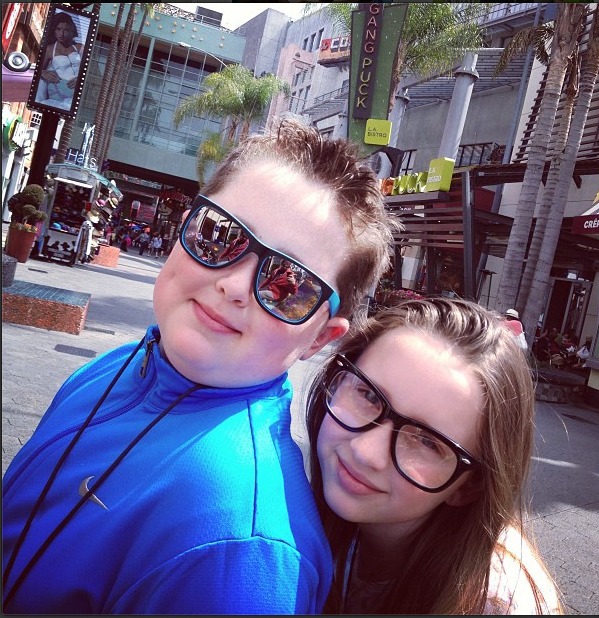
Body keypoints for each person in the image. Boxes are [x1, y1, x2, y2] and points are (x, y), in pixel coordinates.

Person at [2, 119, 397, 614]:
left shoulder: (240, 549)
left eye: (288, 285)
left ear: (319, 336)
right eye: (219, 235)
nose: (233, 285)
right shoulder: (119, 366)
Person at [305, 298, 564, 614]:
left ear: (468, 487)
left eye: (427, 442)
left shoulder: (493, 604)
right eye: (368, 395)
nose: (365, 451)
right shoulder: (302, 519)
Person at [36, 11, 84, 110]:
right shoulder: (49, 49)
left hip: (78, 94)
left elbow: (90, 70)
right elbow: (37, 69)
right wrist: (42, 72)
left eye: (65, 30)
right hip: (58, 93)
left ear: (71, 30)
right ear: (54, 30)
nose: (61, 34)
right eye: (58, 29)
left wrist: (81, 79)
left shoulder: (79, 47)